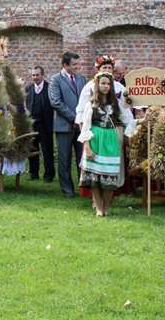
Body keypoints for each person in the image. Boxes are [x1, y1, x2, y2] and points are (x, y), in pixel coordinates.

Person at [78, 72, 137, 216]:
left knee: (110, 176)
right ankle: (98, 207)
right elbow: (86, 126)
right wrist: (87, 146)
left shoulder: (115, 104)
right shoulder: (91, 103)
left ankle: (106, 207)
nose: (105, 86)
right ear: (97, 85)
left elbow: (127, 120)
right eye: (103, 83)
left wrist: (140, 122)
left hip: (110, 140)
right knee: (94, 178)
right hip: (96, 139)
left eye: (108, 84)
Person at [48, 52, 86, 196]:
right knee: (64, 159)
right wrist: (74, 118)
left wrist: (81, 119)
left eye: (78, 64)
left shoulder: (81, 79)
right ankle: (67, 189)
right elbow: (56, 103)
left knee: (82, 158)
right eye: (74, 64)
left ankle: (84, 188)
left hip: (81, 126)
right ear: (65, 65)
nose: (77, 67)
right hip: (64, 126)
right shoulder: (55, 80)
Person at [25, 66, 55, 182]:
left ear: (43, 75)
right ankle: (33, 173)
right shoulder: (28, 88)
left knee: (47, 150)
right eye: (33, 75)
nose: (35, 77)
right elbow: (25, 105)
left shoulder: (49, 88)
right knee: (32, 149)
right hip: (32, 124)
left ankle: (49, 175)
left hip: (45, 124)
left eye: (37, 75)